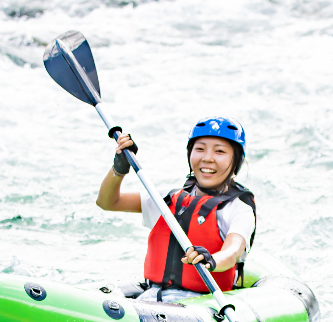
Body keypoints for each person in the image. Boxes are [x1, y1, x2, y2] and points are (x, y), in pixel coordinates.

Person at [96, 117, 256, 302]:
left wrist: (210, 260)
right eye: (200, 149)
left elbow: (232, 251)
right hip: (153, 296)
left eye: (219, 151)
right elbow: (108, 202)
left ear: (236, 161)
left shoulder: (238, 209)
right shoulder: (168, 198)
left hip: (204, 304)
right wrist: (119, 168)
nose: (207, 158)